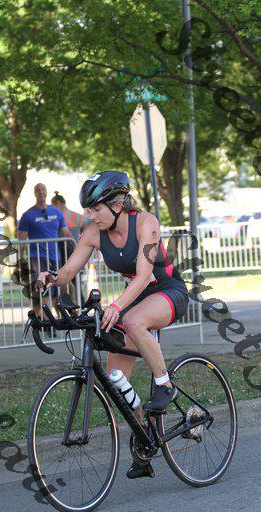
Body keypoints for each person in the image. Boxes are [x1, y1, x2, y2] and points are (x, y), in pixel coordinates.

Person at [37, 171, 190, 479]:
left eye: (96, 209)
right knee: (116, 382)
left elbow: (144, 276)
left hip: (166, 291)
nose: (90, 215)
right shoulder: (94, 232)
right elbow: (69, 271)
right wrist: (52, 277)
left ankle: (165, 385)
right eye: (88, 209)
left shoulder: (146, 223)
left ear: (117, 205)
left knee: (131, 319)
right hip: (134, 300)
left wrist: (116, 307)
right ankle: (144, 436)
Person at [17, 183, 74, 321]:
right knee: (43, 287)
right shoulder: (28, 215)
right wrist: (20, 259)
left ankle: (61, 319)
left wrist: (77, 244)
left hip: (55, 256)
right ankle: (44, 320)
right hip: (37, 257)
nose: (41, 192)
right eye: (38, 190)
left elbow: (66, 232)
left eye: (43, 189)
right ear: (35, 193)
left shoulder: (56, 212)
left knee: (59, 287)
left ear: (46, 192)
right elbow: (21, 240)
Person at [51, 192, 87, 303]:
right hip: (76, 248)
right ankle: (81, 302)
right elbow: (84, 231)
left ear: (58, 203)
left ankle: (64, 303)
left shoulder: (57, 216)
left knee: (61, 277)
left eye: (53, 205)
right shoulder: (78, 216)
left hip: (62, 249)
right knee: (76, 279)